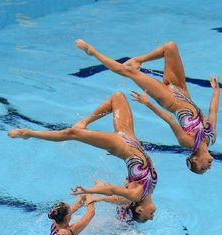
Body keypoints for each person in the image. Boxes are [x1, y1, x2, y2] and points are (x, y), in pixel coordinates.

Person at [8, 91, 157, 223]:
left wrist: (91, 191)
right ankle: (83, 122)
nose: (152, 218)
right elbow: (120, 197)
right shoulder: (148, 190)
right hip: (131, 139)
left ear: (139, 210)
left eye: (146, 218)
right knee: (118, 97)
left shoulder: (136, 194)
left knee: (72, 133)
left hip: (121, 145)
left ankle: (29, 133)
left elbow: (113, 190)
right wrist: (100, 195)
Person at [75, 39, 220, 174]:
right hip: (183, 92)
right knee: (170, 47)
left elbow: (169, 119)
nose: (208, 167)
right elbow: (213, 112)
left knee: (129, 72)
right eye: (206, 169)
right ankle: (139, 59)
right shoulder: (212, 138)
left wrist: (148, 103)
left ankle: (92, 52)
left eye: (202, 168)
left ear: (194, 159)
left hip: (170, 100)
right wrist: (216, 91)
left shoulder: (188, 142)